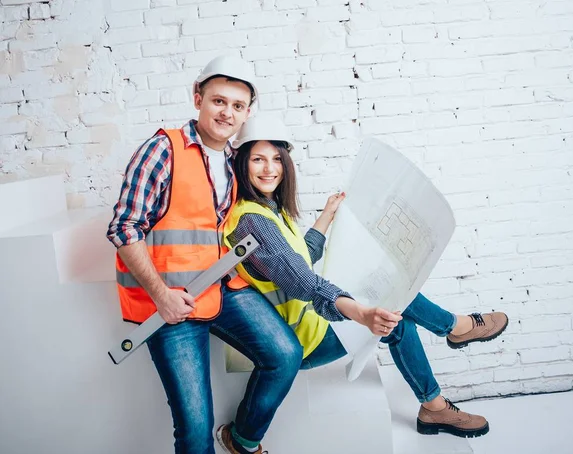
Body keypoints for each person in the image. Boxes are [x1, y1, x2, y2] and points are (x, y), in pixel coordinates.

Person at [222, 115, 510, 440]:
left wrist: (327, 216)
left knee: (394, 307)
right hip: (305, 340)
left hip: (313, 324)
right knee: (393, 302)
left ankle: (434, 403)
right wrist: (361, 313)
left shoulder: (269, 209)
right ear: (242, 163)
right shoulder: (251, 220)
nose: (269, 168)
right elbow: (303, 282)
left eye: (276, 159)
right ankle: (455, 332)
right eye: (258, 159)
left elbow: (300, 258)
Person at [107, 56, 302, 454]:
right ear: (198, 99)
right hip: (170, 302)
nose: (227, 112)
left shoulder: (235, 161)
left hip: (221, 286)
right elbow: (124, 228)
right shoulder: (162, 150)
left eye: (237, 105)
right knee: (195, 429)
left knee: (285, 354)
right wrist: (162, 296)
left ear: (247, 112)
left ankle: (242, 438)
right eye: (218, 101)